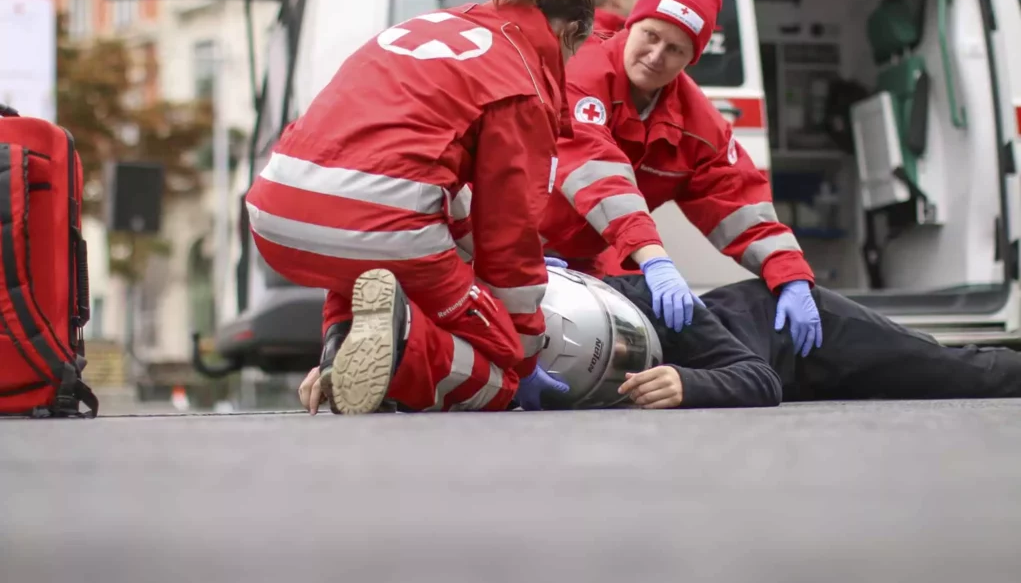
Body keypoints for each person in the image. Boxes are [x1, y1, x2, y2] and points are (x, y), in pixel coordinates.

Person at [245, 0, 595, 416]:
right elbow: (509, 234)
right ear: (570, 32)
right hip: (384, 218)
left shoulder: (426, 27)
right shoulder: (520, 81)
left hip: (275, 206)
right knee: (502, 367)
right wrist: (525, 355)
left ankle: (340, 351)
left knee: (372, 254)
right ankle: (401, 354)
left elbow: (447, 203)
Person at [540, 0, 823, 358]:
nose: (656, 56)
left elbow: (739, 201)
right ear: (630, 25)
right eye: (650, 36)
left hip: (582, 262)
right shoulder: (580, 71)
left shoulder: (697, 123)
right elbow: (597, 170)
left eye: (676, 49)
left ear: (692, 59)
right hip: (503, 245)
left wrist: (789, 275)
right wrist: (655, 260)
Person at [297, 262, 1021, 413]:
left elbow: (757, 379)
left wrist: (691, 382)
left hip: (799, 331)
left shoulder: (658, 302)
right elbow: (457, 368)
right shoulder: (527, 311)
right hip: (781, 358)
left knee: (944, 370)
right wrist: (337, 364)